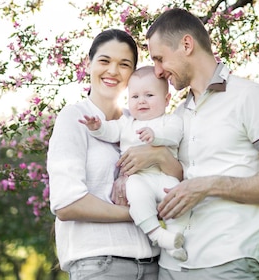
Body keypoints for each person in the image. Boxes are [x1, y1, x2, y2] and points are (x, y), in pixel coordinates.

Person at [117, 8, 259, 280]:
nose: (159, 71)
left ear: (187, 45)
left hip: (229, 265)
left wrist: (208, 186)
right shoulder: (175, 117)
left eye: (160, 58)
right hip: (172, 272)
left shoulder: (250, 97)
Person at [47, 29, 181, 280]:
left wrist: (156, 154)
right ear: (89, 64)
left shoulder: (142, 121)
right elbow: (66, 203)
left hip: (151, 268)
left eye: (124, 64)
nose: (113, 71)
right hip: (98, 264)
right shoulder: (75, 119)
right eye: (105, 61)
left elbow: (178, 177)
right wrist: (142, 215)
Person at [80, 65, 188, 262]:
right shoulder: (127, 123)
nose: (142, 101)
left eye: (149, 95)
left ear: (166, 100)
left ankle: (175, 237)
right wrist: (97, 127)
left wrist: (156, 137)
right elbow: (110, 131)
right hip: (140, 178)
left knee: (178, 201)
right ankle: (158, 235)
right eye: (135, 96)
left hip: (165, 176)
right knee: (136, 195)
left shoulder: (170, 121)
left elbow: (175, 135)